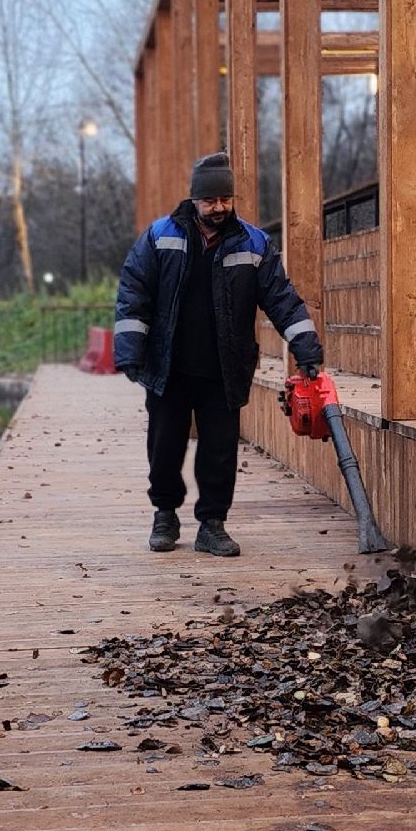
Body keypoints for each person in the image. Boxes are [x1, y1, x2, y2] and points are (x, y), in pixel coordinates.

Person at [113, 152, 323, 557]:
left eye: (226, 199)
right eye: (210, 201)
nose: (219, 208)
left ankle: (212, 524)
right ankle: (165, 516)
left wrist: (306, 349)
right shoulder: (159, 237)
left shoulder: (254, 243)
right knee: (165, 446)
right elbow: (133, 294)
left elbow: (282, 300)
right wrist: (130, 353)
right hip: (169, 367)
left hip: (224, 368)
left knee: (220, 449)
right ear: (194, 200)